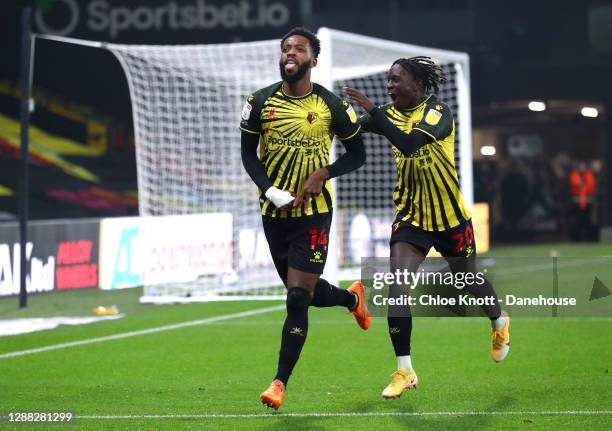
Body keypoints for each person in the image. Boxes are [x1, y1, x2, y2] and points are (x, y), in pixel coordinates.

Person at [343, 56, 510, 399]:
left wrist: (374, 112)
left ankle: (499, 322)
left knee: (468, 283)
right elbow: (352, 127)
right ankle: (405, 370)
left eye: (395, 80)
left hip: (450, 219)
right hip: (411, 220)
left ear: (416, 84)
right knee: (398, 290)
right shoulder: (387, 114)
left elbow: (409, 143)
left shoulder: (438, 113)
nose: (389, 86)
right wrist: (327, 117)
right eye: (388, 80)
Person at [240, 27, 371, 410]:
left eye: (298, 48)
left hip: (314, 215)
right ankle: (351, 298)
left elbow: (357, 154)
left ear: (313, 60)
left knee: (297, 298)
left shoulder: (333, 106)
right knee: (306, 295)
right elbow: (249, 155)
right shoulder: (260, 102)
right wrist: (269, 189)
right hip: (274, 213)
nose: (290, 53)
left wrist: (323, 174)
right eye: (285, 48)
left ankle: (279, 383)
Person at [568, 161, 596, 241]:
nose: (582, 168)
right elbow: (576, 184)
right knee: (577, 221)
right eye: (580, 166)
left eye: (583, 166)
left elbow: (590, 186)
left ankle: (589, 239)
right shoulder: (574, 174)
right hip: (577, 201)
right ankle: (577, 239)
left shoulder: (589, 175)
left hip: (587, 201)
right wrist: (582, 185)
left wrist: (583, 186)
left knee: (588, 221)